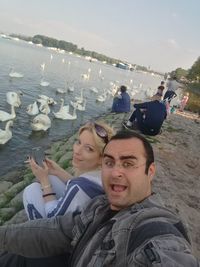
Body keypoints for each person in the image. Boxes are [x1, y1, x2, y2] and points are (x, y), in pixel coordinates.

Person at [0, 130, 199, 267]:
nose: (116, 172)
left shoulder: (156, 232)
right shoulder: (99, 206)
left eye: (128, 163)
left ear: (150, 171)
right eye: (109, 162)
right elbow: (56, 231)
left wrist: (45, 182)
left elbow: (169, 255)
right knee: (17, 254)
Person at [23, 121, 114, 220]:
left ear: (102, 158)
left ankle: (36, 232)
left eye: (89, 149)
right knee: (52, 177)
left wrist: (45, 182)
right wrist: (58, 171)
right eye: (79, 142)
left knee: (30, 191)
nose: (77, 151)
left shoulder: (80, 188)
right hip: (84, 219)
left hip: (62, 232)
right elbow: (81, 185)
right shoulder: (103, 176)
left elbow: (53, 217)